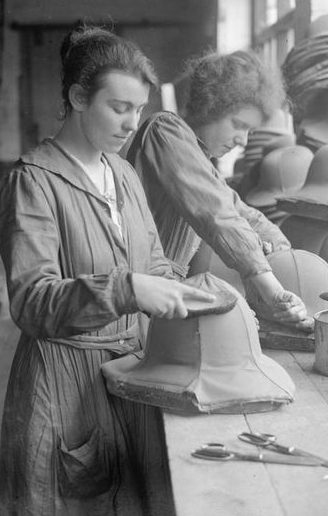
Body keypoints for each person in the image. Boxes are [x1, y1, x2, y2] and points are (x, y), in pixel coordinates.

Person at [0, 23, 214, 516]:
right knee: (57, 514)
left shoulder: (124, 174)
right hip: (62, 382)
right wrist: (126, 289)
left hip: (129, 372)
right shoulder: (32, 182)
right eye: (118, 108)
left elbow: (154, 263)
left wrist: (191, 291)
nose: (132, 123)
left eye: (138, 109)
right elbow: (32, 301)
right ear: (76, 97)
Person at [128, 50, 312, 330]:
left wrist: (281, 252)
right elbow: (216, 212)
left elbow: (239, 211)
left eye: (250, 131)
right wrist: (271, 287)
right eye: (238, 125)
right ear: (210, 107)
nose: (243, 141)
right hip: (137, 301)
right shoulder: (164, 131)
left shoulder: (202, 161)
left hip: (162, 302)